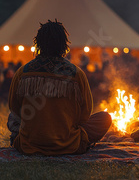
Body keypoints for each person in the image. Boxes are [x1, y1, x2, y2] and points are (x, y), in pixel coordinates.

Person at [7, 20, 112, 155]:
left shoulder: (23, 72)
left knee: (11, 118)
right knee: (105, 118)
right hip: (69, 144)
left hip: (29, 144)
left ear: (38, 43)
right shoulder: (76, 73)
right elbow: (85, 115)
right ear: (64, 44)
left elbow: (15, 109)